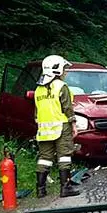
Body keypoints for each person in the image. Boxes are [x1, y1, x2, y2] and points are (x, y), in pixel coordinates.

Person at [34, 55, 80, 198]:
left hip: (43, 130)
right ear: (57, 70)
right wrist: (73, 124)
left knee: (44, 158)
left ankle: (40, 189)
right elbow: (67, 108)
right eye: (64, 69)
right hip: (62, 126)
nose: (65, 72)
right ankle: (65, 188)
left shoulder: (38, 89)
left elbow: (36, 112)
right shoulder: (61, 86)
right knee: (64, 156)